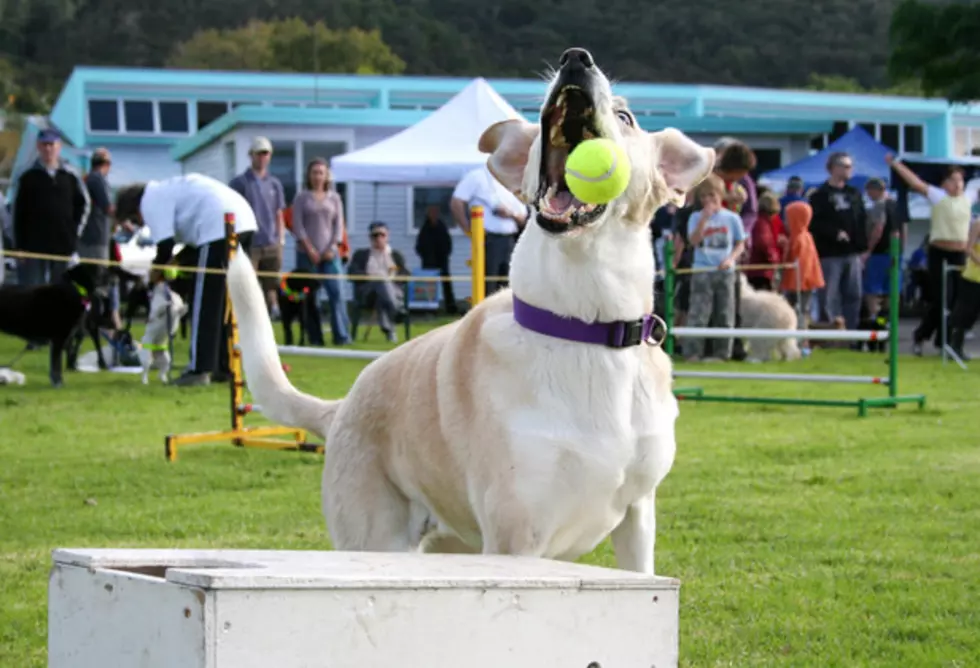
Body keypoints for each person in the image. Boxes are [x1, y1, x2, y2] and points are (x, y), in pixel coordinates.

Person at [113, 173, 257, 386]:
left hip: (217, 225)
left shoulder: (151, 200)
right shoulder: (169, 190)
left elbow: (164, 246)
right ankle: (223, 367)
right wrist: (174, 262)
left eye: (134, 220)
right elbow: (186, 249)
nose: (139, 224)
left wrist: (154, 275)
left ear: (134, 208)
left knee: (204, 302)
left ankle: (199, 370)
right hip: (243, 221)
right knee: (224, 303)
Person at [886, 155, 971, 355]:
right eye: (952, 180)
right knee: (942, 299)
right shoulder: (938, 196)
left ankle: (943, 342)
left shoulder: (969, 197)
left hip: (960, 254)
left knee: (957, 300)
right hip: (939, 253)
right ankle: (928, 337)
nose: (957, 184)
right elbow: (915, 182)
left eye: (960, 180)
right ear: (944, 183)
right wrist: (896, 165)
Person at [13, 128, 90, 286]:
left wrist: (74, 233)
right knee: (33, 292)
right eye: (44, 144)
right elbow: (17, 213)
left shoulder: (70, 176)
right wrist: (19, 246)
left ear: (59, 146)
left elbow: (84, 205)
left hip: (63, 246)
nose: (48, 148)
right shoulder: (27, 176)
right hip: (33, 247)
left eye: (51, 144)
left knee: (61, 292)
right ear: (38, 146)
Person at [684, 174, 747, 362]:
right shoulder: (695, 217)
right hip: (702, 270)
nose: (708, 200)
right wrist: (703, 220)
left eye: (712, 195)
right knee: (698, 313)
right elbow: (693, 241)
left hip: (725, 271)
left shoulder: (732, 218)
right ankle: (693, 352)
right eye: (703, 196)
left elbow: (740, 243)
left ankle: (722, 353)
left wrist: (730, 259)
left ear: (721, 195)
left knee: (725, 313)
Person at [290, 158, 352, 346]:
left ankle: (341, 336)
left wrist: (332, 248)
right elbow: (297, 225)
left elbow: (338, 225)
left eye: (321, 172)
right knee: (310, 298)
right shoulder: (301, 198)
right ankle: (314, 337)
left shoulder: (335, 198)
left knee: (337, 294)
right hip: (306, 255)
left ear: (326, 176)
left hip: (330, 255)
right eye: (314, 172)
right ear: (309, 175)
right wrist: (310, 249)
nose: (318, 176)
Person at [808, 151, 868, 330]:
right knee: (828, 295)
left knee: (854, 294)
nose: (849, 170)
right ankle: (829, 332)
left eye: (851, 166)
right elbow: (814, 223)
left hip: (853, 253)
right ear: (833, 168)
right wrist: (834, 233)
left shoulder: (855, 193)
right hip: (830, 253)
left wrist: (863, 249)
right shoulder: (820, 194)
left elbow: (862, 220)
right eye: (845, 166)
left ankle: (850, 333)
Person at [229, 137, 286, 319]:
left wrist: (281, 239)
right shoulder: (240, 182)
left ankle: (272, 313)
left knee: (271, 283)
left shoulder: (275, 183)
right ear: (251, 155)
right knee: (249, 283)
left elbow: (279, 213)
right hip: (250, 243)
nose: (262, 157)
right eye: (259, 153)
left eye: (265, 153)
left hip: (271, 243)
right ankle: (249, 317)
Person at [450, 164, 529, 295]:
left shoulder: (511, 181)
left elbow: (523, 217)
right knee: (488, 284)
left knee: (509, 283)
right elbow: (456, 202)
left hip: (510, 239)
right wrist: (468, 229)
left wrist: (510, 214)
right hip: (488, 238)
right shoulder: (476, 177)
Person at [349, 221, 409, 342]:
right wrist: (373, 277)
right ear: (370, 237)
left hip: (394, 292)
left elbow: (406, 274)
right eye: (375, 235)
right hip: (368, 292)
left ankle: (389, 330)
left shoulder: (395, 255)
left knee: (382, 296)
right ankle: (397, 310)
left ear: (387, 236)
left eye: (382, 235)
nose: (379, 238)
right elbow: (352, 273)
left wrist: (391, 277)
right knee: (381, 281)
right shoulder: (361, 255)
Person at [780, 201, 826, 351]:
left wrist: (796, 284)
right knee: (800, 311)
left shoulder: (800, 239)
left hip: (800, 284)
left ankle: (801, 343)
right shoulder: (802, 236)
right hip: (800, 283)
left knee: (800, 312)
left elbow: (802, 266)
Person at [861, 178, 903, 320]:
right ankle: (888, 320)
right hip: (895, 253)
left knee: (873, 290)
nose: (868, 195)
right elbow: (904, 229)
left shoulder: (879, 205)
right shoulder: (897, 205)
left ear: (875, 190)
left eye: (869, 192)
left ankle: (875, 319)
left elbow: (878, 228)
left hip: (879, 253)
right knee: (891, 289)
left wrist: (869, 250)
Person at [948, 217, 980, 360]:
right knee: (967, 312)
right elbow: (968, 248)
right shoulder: (978, 224)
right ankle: (955, 346)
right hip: (974, 275)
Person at [415, 204, 456, 314]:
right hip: (428, 261)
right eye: (431, 212)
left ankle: (450, 307)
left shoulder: (442, 226)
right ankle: (428, 309)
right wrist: (425, 256)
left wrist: (446, 254)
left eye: (435, 212)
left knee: (446, 283)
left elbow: (448, 243)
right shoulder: (425, 228)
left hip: (442, 260)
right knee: (428, 285)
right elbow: (419, 245)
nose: (433, 214)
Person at [745, 192, 784, 291]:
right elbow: (764, 243)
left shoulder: (759, 221)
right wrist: (774, 259)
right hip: (761, 273)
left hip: (756, 270)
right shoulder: (762, 224)